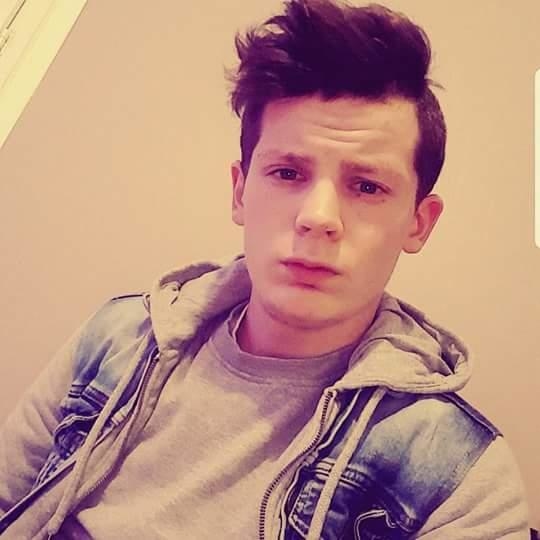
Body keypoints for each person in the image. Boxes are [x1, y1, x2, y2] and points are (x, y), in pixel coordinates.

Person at [0, 0, 531, 538]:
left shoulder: (459, 481)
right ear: (239, 192)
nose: (318, 217)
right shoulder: (116, 340)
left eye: (367, 186)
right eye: (287, 173)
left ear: (419, 223)